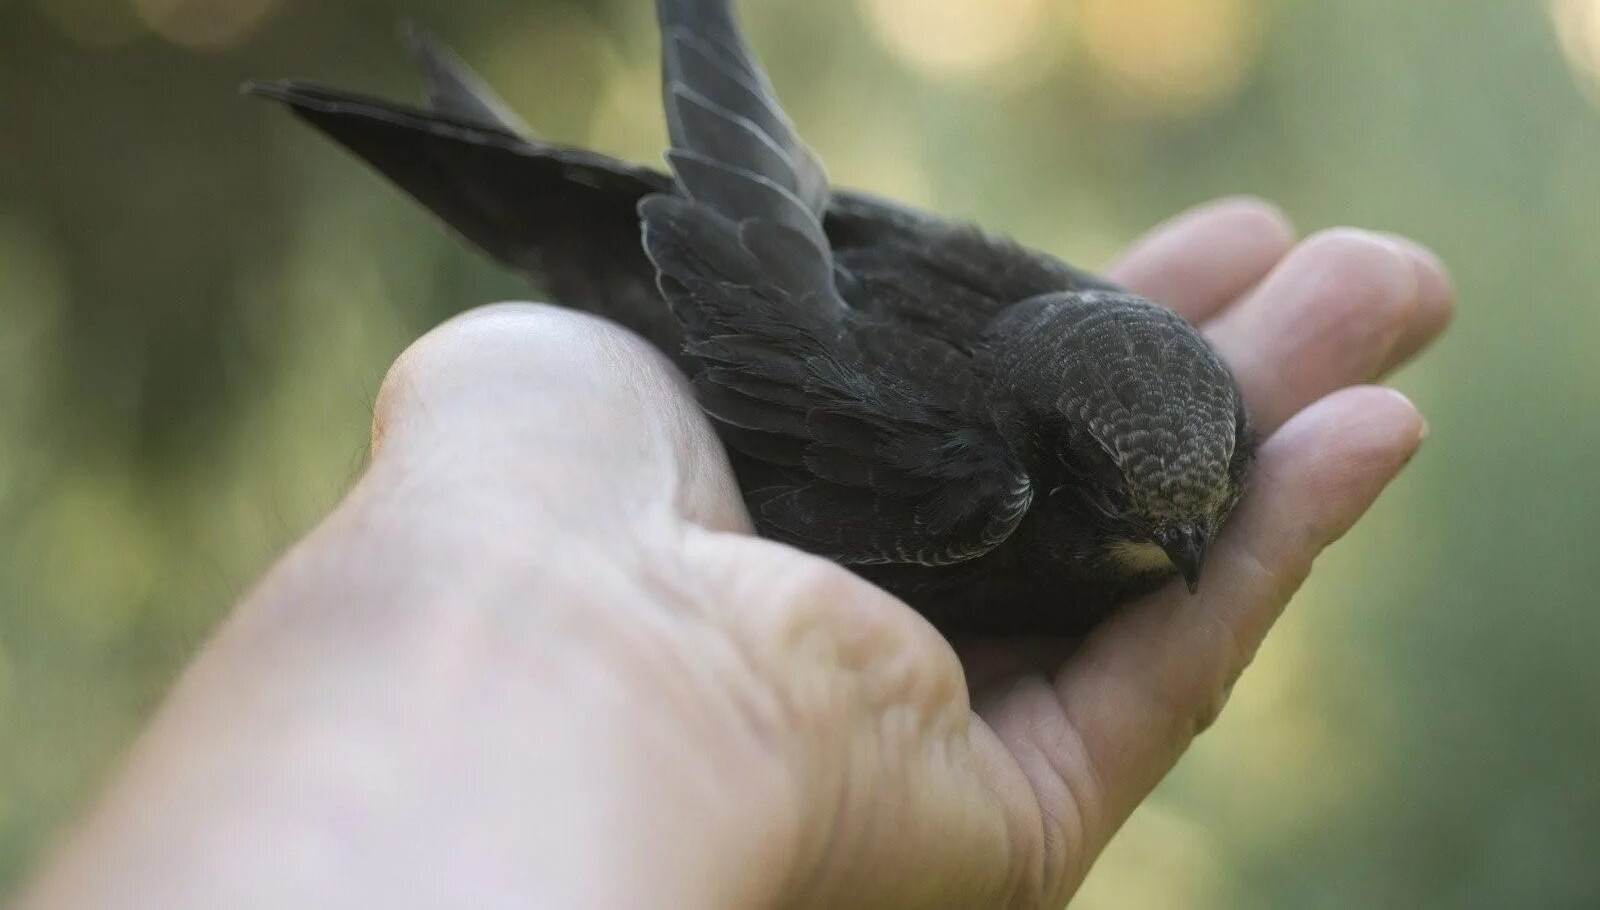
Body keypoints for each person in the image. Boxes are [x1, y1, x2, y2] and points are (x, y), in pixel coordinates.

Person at [20, 200, 1451, 909]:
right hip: (717, 298)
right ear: (1053, 448)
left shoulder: (1142, 396)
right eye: (1146, 498)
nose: (1191, 540)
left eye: (1203, 495)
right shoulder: (971, 472)